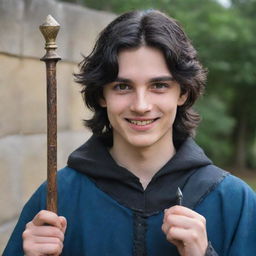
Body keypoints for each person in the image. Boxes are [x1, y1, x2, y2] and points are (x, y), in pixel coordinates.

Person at [3, 9, 256, 256]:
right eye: (123, 86)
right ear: (102, 95)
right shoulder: (58, 198)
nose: (141, 106)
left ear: (183, 93)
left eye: (159, 85)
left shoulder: (233, 201)